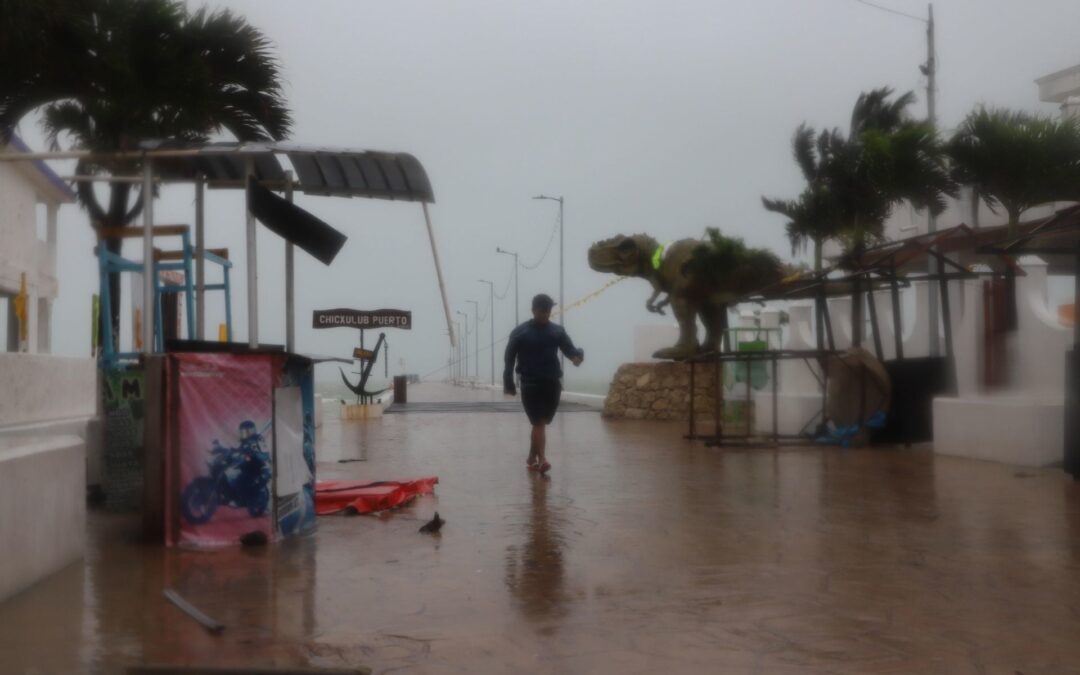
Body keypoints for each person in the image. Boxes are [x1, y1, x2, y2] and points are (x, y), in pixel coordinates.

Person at [503, 293, 584, 474]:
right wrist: (508, 382)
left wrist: (578, 356)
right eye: (542, 311)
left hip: (552, 383)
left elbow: (571, 353)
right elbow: (509, 359)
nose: (545, 314)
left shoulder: (557, 331)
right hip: (530, 383)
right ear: (533, 310)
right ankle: (542, 460)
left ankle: (532, 457)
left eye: (548, 311)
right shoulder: (520, 332)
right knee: (538, 422)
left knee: (541, 423)